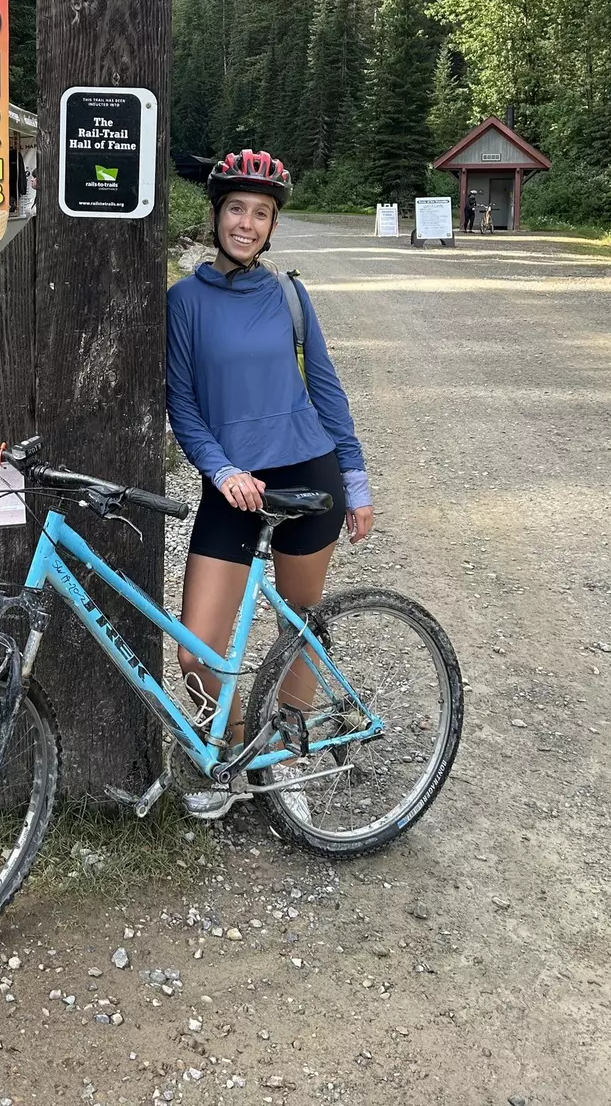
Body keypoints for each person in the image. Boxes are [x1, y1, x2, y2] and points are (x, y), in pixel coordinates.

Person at [166, 148, 374, 815]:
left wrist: (356, 476)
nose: (247, 223)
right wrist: (221, 469)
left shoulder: (289, 294)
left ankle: (287, 762)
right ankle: (227, 757)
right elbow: (183, 404)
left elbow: (326, 387)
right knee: (196, 650)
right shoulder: (184, 302)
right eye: (236, 210)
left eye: (260, 213)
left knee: (299, 630)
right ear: (216, 215)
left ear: (272, 225)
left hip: (307, 477)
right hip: (232, 486)